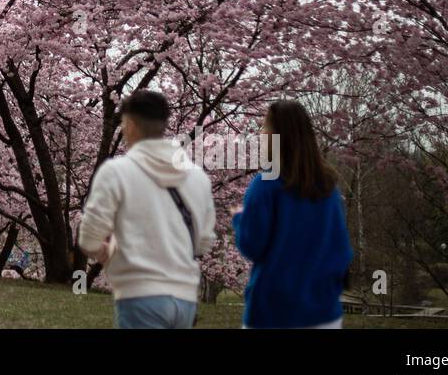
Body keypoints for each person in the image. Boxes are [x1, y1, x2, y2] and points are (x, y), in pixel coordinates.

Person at [77, 88, 216, 329]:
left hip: (140, 295)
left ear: (129, 124)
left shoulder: (116, 172)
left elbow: (89, 238)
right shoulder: (198, 177)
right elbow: (203, 243)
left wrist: (108, 254)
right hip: (185, 300)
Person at [233, 100, 353, 329]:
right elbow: (340, 246)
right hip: (324, 310)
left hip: (275, 312)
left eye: (264, 127)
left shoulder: (266, 184)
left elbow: (252, 246)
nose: (260, 133)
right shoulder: (328, 187)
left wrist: (240, 218)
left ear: (277, 136)